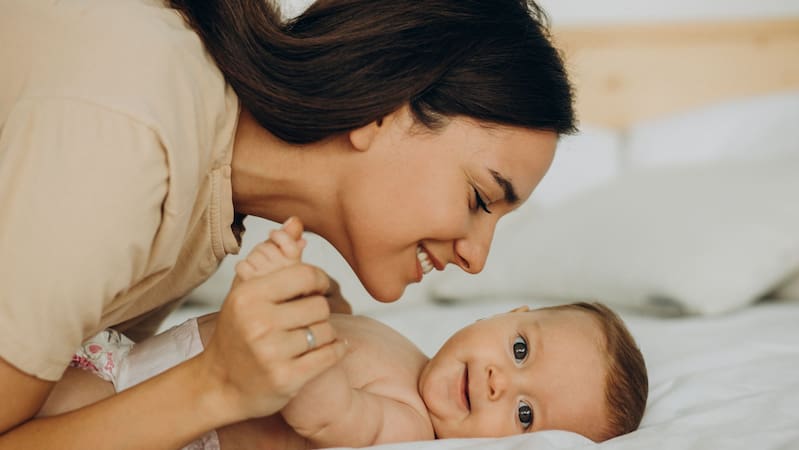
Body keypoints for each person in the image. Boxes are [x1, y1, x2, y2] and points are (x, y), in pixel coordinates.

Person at [0, 0, 575, 447]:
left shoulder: (212, 205)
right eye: (479, 198)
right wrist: (218, 384)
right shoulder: (133, 143)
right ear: (383, 107)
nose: (478, 259)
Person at [40, 220, 649, 449]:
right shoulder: (406, 353)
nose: (497, 382)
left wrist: (289, 314)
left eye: (524, 415)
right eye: (519, 351)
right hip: (130, 362)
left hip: (149, 417)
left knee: (40, 415)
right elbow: (350, 335)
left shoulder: (408, 423)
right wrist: (325, 297)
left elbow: (324, 413)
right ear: (505, 315)